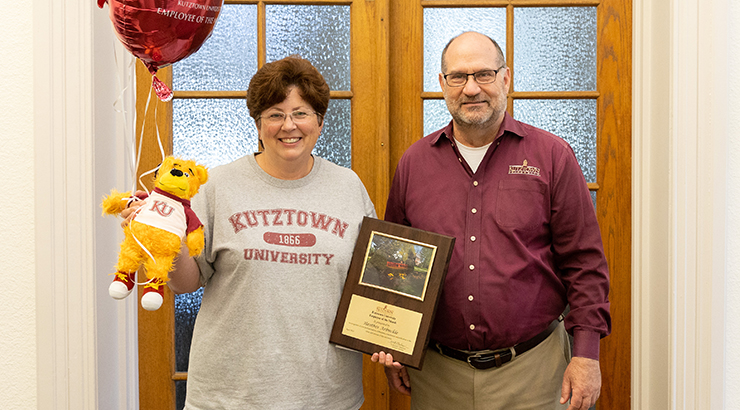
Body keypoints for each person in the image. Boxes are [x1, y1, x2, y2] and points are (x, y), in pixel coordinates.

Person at [371, 31, 610, 410]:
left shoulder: (552, 157)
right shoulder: (414, 164)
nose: (471, 89)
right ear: (442, 84)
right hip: (437, 376)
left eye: (483, 74)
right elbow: (396, 267)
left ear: (505, 78)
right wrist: (393, 342)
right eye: (458, 77)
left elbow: (585, 263)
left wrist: (586, 354)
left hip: (534, 372)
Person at [124, 56, 376, 409]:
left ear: (319, 121)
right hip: (231, 396)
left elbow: (373, 283)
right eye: (275, 114)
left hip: (325, 394)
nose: (289, 126)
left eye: (301, 113)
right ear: (258, 124)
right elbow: (184, 283)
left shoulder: (349, 188)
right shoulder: (217, 186)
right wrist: (165, 239)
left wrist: (391, 336)